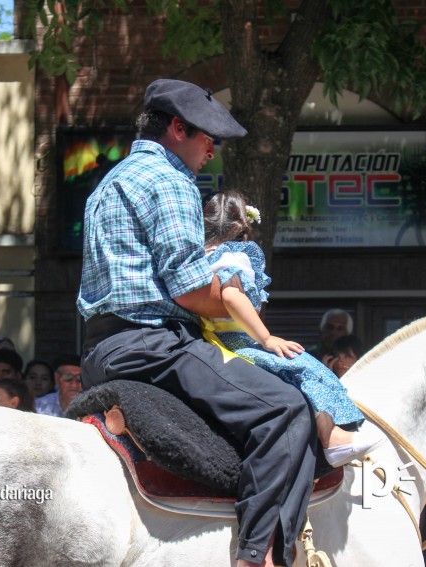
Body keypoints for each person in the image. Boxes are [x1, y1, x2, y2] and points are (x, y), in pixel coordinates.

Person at [78, 78, 316, 567]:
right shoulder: (169, 180)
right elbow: (189, 291)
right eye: (209, 135)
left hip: (102, 351)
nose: (214, 149)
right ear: (177, 127)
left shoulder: (111, 180)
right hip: (151, 346)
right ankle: (257, 558)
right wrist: (244, 309)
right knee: (287, 410)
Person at [201, 191, 379, 466]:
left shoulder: (202, 255)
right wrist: (267, 338)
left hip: (212, 341)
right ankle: (331, 438)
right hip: (236, 342)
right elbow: (232, 296)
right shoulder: (233, 255)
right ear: (242, 227)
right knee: (302, 366)